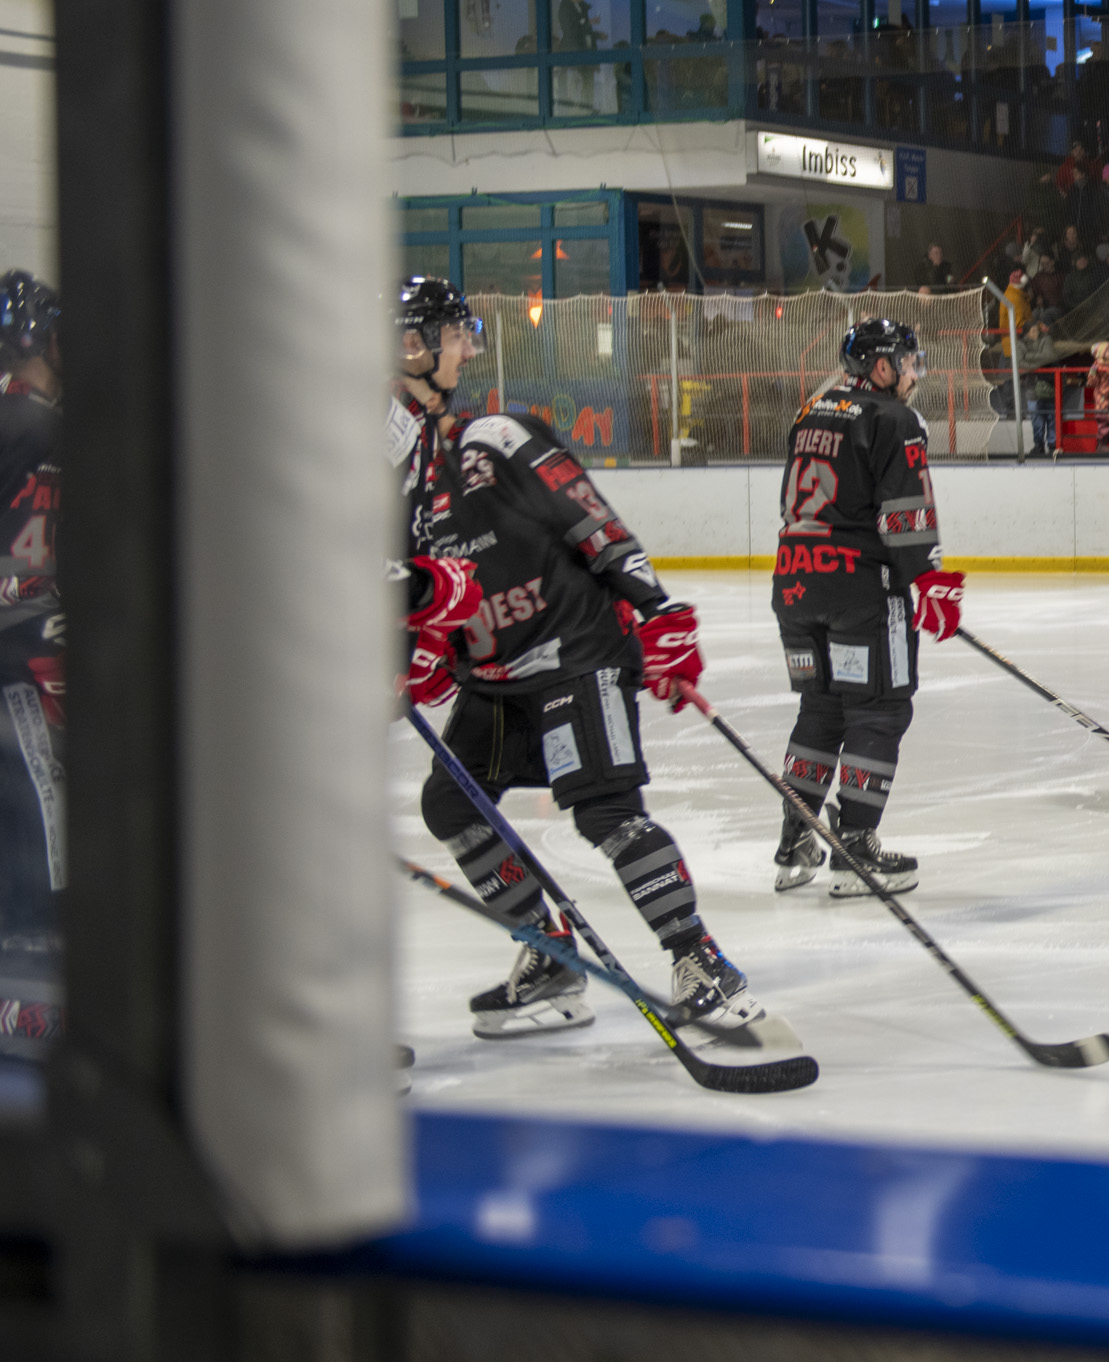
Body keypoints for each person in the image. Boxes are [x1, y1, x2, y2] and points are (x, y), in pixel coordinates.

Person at [391, 276, 764, 1040]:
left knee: (607, 813)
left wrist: (658, 613)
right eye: (456, 333)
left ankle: (700, 962)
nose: (468, 347)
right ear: (413, 344)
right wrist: (422, 645)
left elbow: (594, 522)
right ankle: (551, 957)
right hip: (493, 678)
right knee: (450, 803)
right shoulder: (404, 466)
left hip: (573, 654)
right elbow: (412, 579)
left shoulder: (494, 437)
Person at [768, 317, 959, 899]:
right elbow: (906, 512)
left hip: (796, 584)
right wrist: (927, 579)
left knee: (821, 710)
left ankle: (796, 839)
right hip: (859, 591)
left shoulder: (813, 409)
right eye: (905, 360)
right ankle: (855, 845)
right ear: (880, 366)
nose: (911, 371)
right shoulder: (895, 419)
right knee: (880, 711)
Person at [0, 273, 61, 1052]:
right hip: (15, 673)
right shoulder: (31, 426)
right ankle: (26, 1004)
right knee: (42, 837)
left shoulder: (41, 422)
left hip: (30, 666)